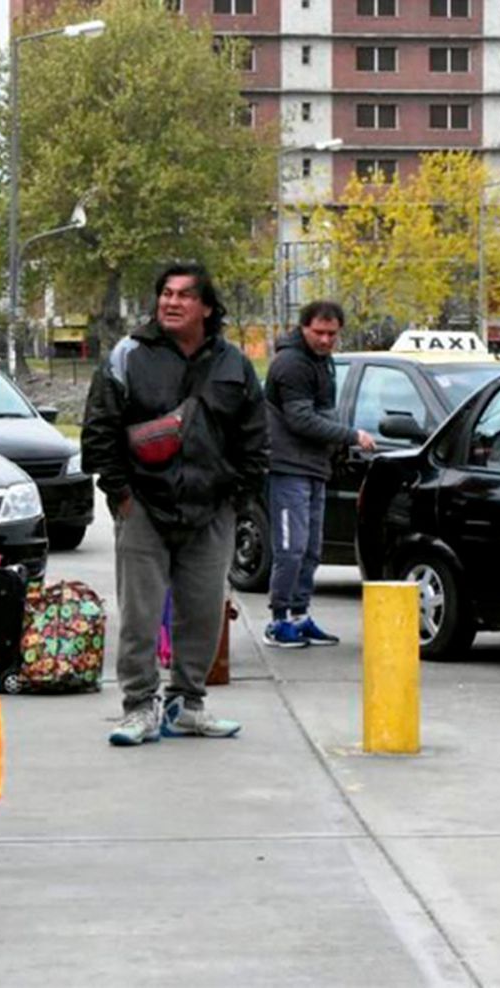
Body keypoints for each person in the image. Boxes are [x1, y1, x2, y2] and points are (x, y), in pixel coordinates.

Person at [82, 262, 269, 748]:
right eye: (165, 293)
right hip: (142, 504)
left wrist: (237, 498)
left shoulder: (234, 364)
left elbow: (254, 435)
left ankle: (188, 704)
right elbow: (99, 427)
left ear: (206, 307)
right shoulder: (128, 355)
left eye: (185, 295)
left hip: (212, 509)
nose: (172, 302)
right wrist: (119, 493)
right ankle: (139, 707)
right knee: (141, 617)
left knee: (205, 612)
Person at [263, 300, 375, 648]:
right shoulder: (291, 363)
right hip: (287, 468)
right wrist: (351, 435)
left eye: (332, 334)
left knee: (311, 549)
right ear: (304, 328)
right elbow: (300, 418)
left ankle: (299, 614)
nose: (326, 340)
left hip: (314, 467)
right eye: (319, 333)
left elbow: (323, 412)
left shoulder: (322, 363)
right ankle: (279, 620)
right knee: (290, 547)